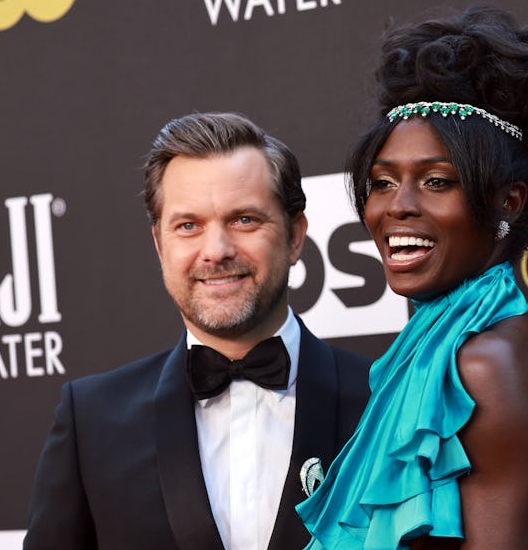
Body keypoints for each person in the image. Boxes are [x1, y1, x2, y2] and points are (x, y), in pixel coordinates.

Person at [297, 5, 528, 549]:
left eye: (436, 182)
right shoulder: (450, 349)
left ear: (508, 200)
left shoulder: (485, 365)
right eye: (383, 182)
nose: (397, 208)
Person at [23, 112, 372, 550]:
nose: (216, 251)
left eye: (244, 219)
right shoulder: (90, 420)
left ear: (296, 235)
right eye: (188, 226)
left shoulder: (385, 401)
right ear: (159, 244)